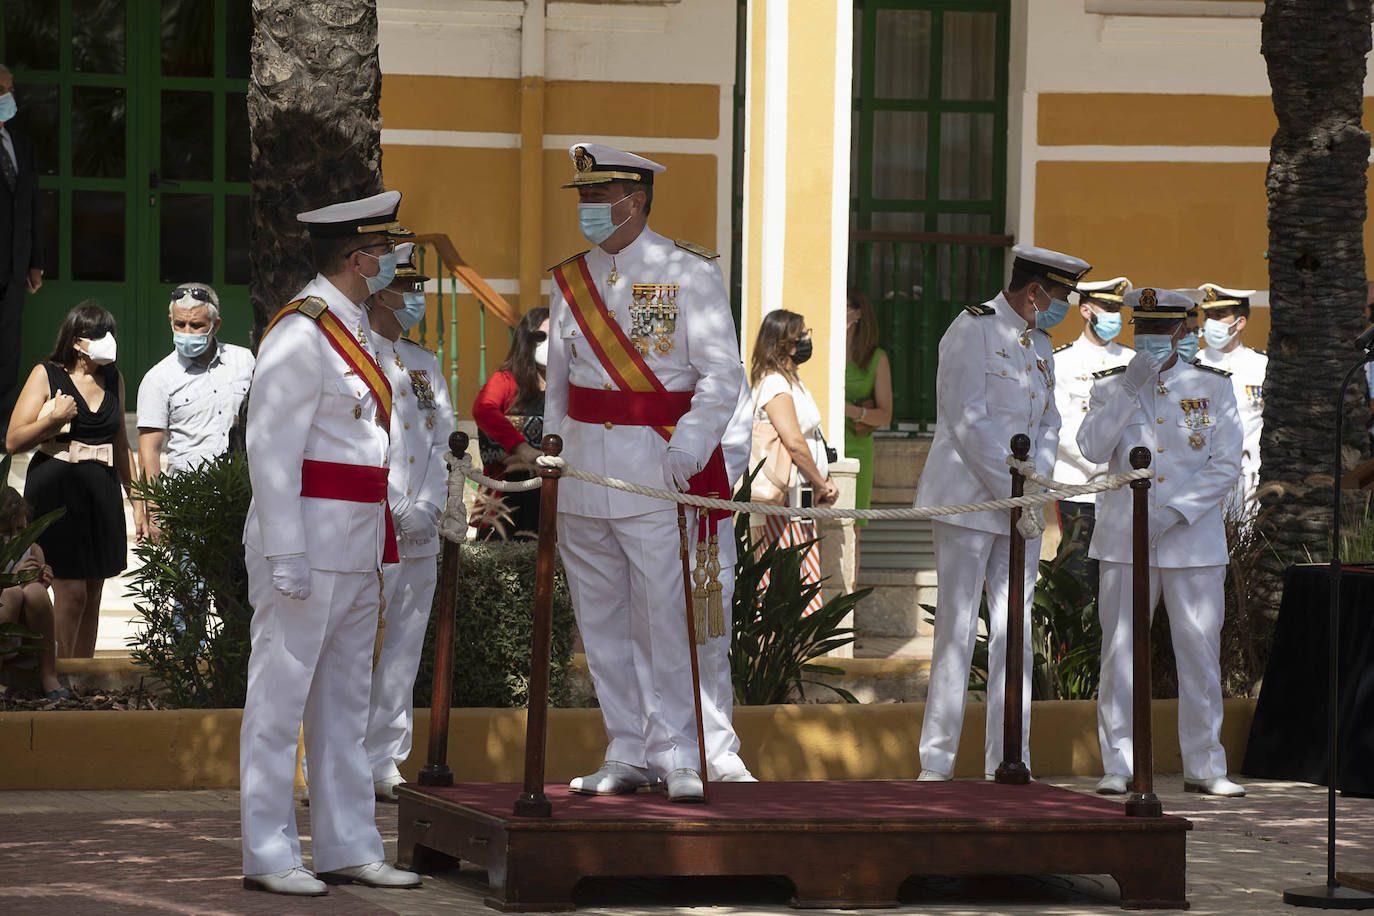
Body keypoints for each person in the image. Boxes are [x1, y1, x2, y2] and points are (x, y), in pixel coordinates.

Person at [544, 142, 754, 802]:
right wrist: (553, 449)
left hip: (654, 472)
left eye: (596, 198)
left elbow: (723, 376)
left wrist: (688, 450)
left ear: (633, 201)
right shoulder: (569, 279)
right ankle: (626, 747)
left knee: (665, 621)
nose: (586, 210)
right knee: (601, 622)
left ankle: (682, 751)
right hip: (584, 475)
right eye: (582, 198)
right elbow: (558, 384)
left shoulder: (688, 271)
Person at [238, 190, 421, 896]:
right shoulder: (300, 333)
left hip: (355, 543)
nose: (394, 264)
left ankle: (347, 845)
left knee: (345, 705)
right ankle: (269, 851)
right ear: (357, 258)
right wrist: (284, 549)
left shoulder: (360, 331)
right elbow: (271, 449)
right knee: (280, 701)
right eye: (386, 251)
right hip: (308, 544)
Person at [914, 244, 1089, 782]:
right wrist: (1012, 489)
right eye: (1059, 296)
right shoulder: (973, 329)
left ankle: (1010, 758)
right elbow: (966, 421)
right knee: (957, 630)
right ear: (1034, 291)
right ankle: (937, 763)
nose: (1063, 307)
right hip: (973, 500)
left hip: (1024, 505)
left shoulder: (1040, 343)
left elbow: (1051, 419)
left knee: (1017, 628)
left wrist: (1032, 484)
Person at [1078, 286, 1246, 798]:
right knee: (1120, 650)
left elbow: (1225, 462)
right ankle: (1119, 762)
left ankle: (1204, 764)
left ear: (1181, 331)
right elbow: (1090, 448)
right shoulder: (1111, 385)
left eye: (1160, 330)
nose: (1149, 339)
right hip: (1123, 541)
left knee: (1198, 650)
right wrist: (1130, 387)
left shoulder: (1212, 386)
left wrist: (1174, 512)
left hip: (1191, 541)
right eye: (1142, 330)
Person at [360, 242, 453, 802]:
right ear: (379, 290)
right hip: (372, 521)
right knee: (359, 645)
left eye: (421, 288)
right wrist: (392, 504)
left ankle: (385, 758)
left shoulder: (422, 362)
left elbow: (444, 441)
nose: (416, 298)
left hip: (418, 526)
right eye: (407, 286)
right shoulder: (354, 351)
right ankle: (343, 755)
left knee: (404, 645)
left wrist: (430, 506)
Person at [5, 303, 142, 658]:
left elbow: (122, 444)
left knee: (93, 592)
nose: (108, 341)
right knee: (71, 592)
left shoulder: (114, 379)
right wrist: (55, 419)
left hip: (102, 491)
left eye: (110, 333)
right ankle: (60, 674)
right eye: (99, 335)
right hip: (57, 490)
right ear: (77, 341)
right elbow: (13, 439)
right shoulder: (46, 374)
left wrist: (140, 501)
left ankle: (85, 677)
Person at [136, 282, 255, 540]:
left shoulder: (245, 362)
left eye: (197, 325)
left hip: (245, 498)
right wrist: (156, 512)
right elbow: (149, 451)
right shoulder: (158, 379)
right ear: (171, 321)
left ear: (216, 325)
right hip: (189, 505)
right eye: (180, 324)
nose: (187, 332)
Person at [750, 309, 837, 617]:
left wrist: (825, 477)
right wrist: (820, 481)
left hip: (802, 492)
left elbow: (812, 437)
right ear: (784, 342)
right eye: (801, 334)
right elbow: (795, 443)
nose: (807, 340)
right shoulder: (774, 384)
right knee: (788, 574)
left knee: (802, 569)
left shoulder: (792, 380)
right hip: (788, 495)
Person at [1050, 277, 1134, 590]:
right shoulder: (1062, 360)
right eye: (1107, 307)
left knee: (1115, 575)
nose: (1115, 315)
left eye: (1117, 309)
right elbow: (1058, 424)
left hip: (1120, 488)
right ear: (1086, 310)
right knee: (1077, 574)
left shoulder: (1131, 361)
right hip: (1078, 485)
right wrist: (1096, 463)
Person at [471, 306, 549, 538]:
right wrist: (521, 448)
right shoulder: (505, 380)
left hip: (557, 494)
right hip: (510, 494)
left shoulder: (569, 384)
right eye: (543, 336)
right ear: (527, 339)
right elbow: (483, 410)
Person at [1195, 283, 1267, 520]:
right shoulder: (1191, 364)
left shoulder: (1262, 366)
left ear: (1241, 322)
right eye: (1208, 316)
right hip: (1199, 479)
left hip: (1248, 482)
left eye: (1220, 316)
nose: (1211, 322)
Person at [0, 64, 45, 431]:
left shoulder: (22, 144)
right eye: (2, 90)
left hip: (14, 269)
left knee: (7, 352)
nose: (9, 97)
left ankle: (2, 428)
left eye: (11, 90)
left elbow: (32, 207)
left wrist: (35, 262)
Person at [0, 485, 65, 698]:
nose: (16, 538)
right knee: (11, 594)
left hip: (26, 640)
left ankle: (49, 675)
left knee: (35, 592)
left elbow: (39, 594)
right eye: (6, 533)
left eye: (20, 529)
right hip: (4, 632)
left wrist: (43, 581)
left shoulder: (34, 550)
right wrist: (12, 579)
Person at [843, 288, 892, 545]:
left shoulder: (876, 358)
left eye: (844, 306)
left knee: (852, 529)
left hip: (858, 448)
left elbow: (885, 416)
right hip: (820, 444)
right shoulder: (823, 351)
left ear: (858, 313)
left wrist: (852, 411)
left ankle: (849, 585)